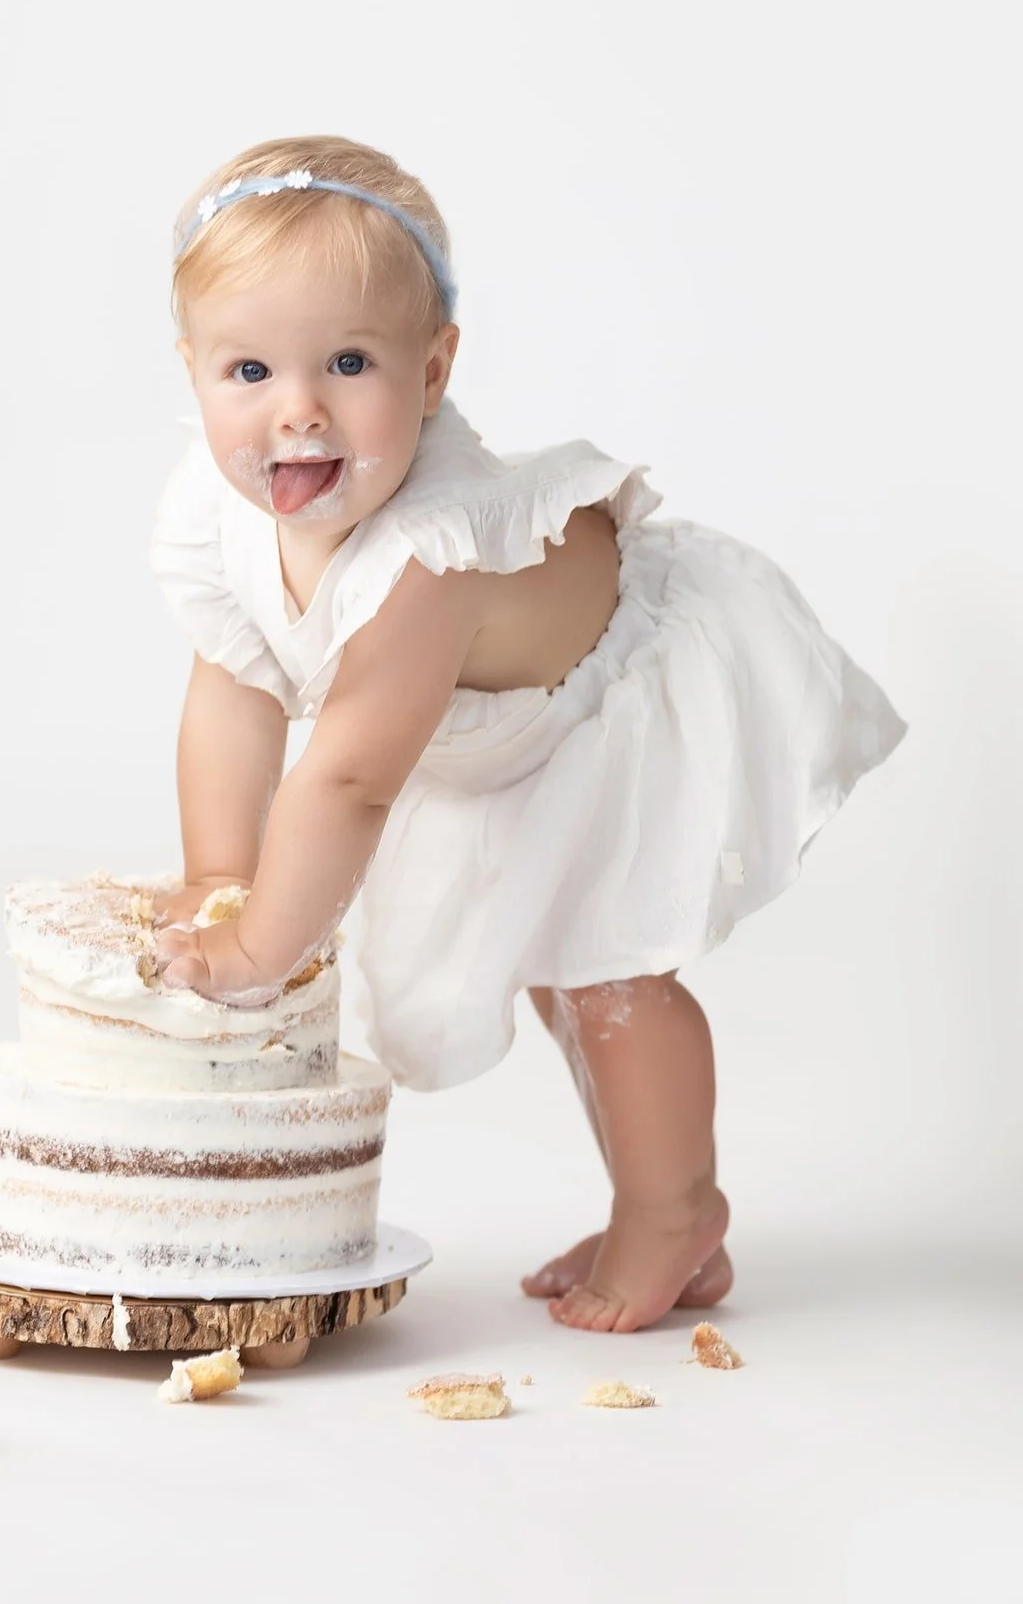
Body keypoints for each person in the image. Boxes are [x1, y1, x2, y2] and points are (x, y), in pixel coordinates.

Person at [145, 134, 906, 1332]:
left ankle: (674, 1208)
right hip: (497, 731)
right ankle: (652, 1200)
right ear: (192, 374)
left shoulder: (425, 556)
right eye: (248, 371)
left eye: (350, 363)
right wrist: (219, 873)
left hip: (617, 700)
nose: (296, 411)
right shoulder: (214, 508)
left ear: (435, 369)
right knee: (562, 979)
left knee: (610, 974)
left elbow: (346, 777)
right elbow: (231, 695)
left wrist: (258, 954)